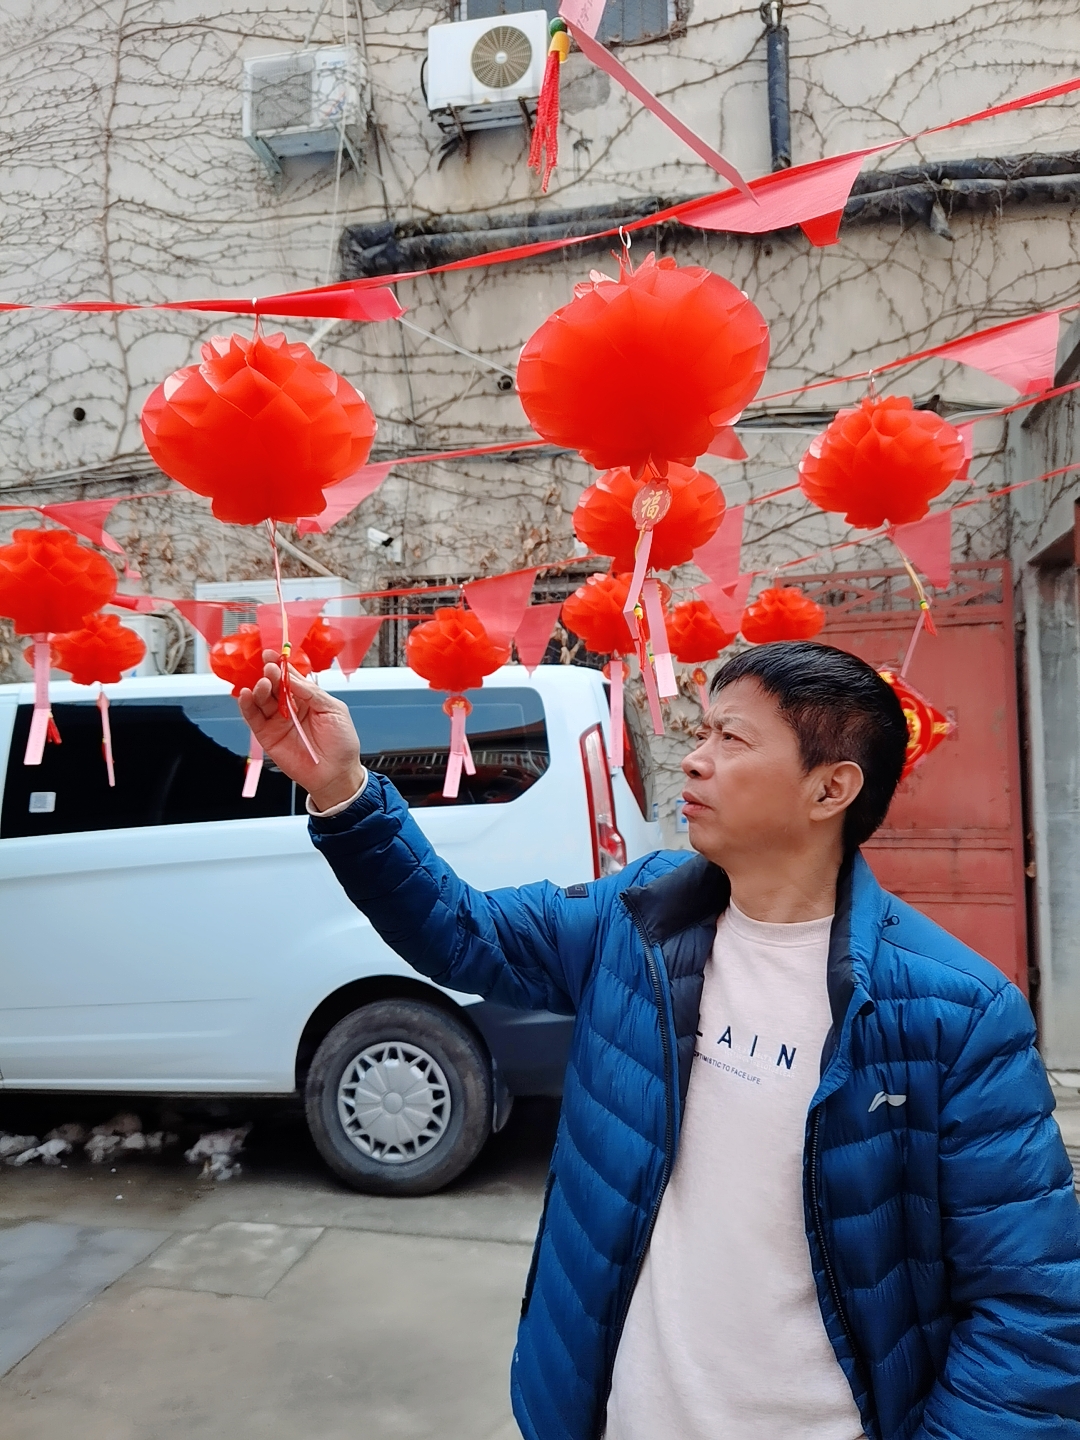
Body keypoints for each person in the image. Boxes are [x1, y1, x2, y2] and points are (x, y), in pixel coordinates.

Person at [240, 640, 1080, 1440]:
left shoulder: (954, 1012)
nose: (694, 760)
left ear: (831, 789)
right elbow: (462, 931)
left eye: (731, 739)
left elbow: (1030, 1311)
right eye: (702, 732)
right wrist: (343, 788)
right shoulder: (638, 920)